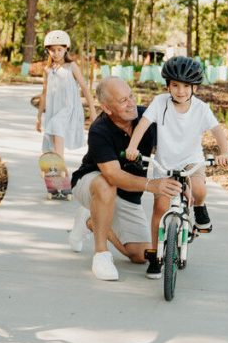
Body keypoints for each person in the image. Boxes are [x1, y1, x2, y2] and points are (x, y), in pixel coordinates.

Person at [123, 56, 228, 279]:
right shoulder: (160, 102)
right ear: (168, 86)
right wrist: (132, 147)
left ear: (194, 88)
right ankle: (156, 255)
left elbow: (217, 130)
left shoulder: (201, 108)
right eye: (175, 85)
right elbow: (143, 124)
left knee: (199, 189)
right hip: (164, 164)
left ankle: (199, 207)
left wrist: (225, 152)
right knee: (160, 209)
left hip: (191, 161)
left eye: (186, 86)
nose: (180, 91)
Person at [68, 76, 182, 281]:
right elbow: (113, 174)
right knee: (106, 184)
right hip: (91, 183)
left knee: (141, 255)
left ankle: (90, 221)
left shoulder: (147, 118)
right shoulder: (99, 130)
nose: (131, 104)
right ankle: (101, 254)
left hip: (128, 194)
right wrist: (151, 185)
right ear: (107, 108)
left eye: (131, 96)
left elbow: (177, 143)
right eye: (123, 101)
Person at [35, 30, 96, 174]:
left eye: (59, 50)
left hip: (69, 108)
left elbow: (85, 88)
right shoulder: (48, 70)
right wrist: (38, 116)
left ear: (66, 49)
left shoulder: (71, 66)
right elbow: (44, 94)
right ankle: (57, 171)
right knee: (52, 137)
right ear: (48, 51)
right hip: (54, 110)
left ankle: (60, 163)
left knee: (55, 125)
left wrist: (93, 111)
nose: (56, 53)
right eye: (52, 50)